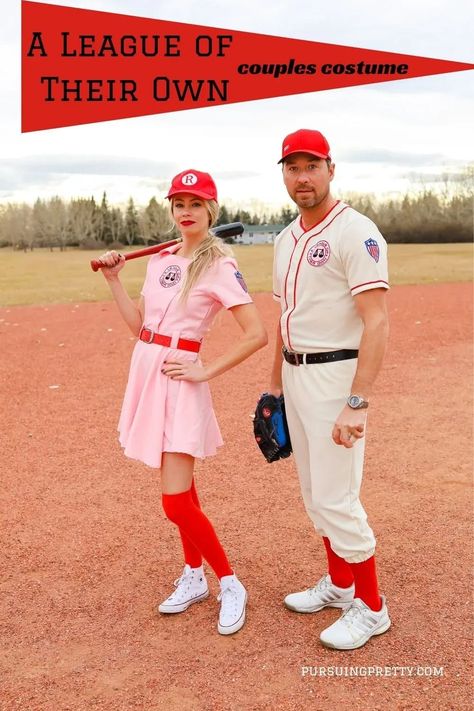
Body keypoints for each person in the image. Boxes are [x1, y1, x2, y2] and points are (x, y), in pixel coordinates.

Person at [98, 169, 267, 636]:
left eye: (195, 203)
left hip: (180, 379)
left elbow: (257, 334)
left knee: (174, 503)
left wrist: (204, 370)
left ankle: (230, 582)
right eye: (179, 204)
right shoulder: (161, 260)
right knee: (183, 492)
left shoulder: (220, 265)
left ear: (210, 210)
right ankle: (194, 577)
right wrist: (114, 279)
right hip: (147, 371)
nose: (186, 211)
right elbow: (141, 327)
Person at [269, 129, 391, 650]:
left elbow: (378, 321)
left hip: (336, 376)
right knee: (315, 493)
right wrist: (272, 387)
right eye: (292, 168)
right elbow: (284, 316)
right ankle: (341, 586)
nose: (302, 177)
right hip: (296, 375)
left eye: (311, 166)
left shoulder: (356, 232)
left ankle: (373, 607)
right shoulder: (283, 238)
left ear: (330, 168)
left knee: (339, 497)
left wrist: (357, 403)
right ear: (283, 173)